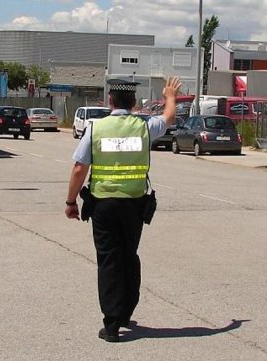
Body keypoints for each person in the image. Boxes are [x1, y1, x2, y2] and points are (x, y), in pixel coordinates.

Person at [64, 76, 182, 343]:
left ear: (110, 101)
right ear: (134, 103)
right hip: (134, 205)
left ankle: (113, 323)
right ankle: (126, 309)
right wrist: (170, 96)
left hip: (103, 204)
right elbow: (168, 117)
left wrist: (71, 202)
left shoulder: (96, 128)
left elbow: (79, 168)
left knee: (109, 260)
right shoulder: (144, 127)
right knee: (129, 255)